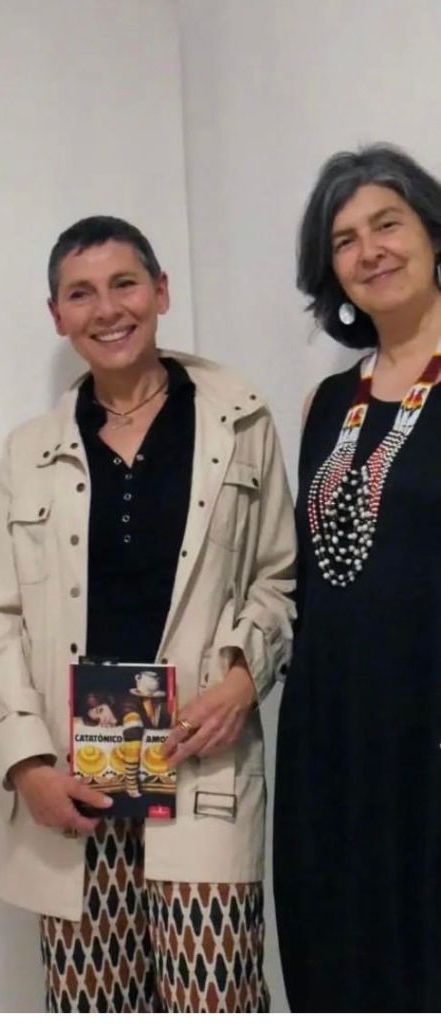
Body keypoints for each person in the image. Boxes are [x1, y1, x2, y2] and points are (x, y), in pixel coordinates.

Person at [0, 215, 295, 1012]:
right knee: (94, 1006)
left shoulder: (238, 419)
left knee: (214, 998)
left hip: (199, 759)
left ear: (160, 292)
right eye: (80, 294)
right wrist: (26, 763)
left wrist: (241, 681)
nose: (107, 309)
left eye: (124, 284)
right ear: (56, 315)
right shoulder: (28, 449)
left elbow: (277, 579)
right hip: (72, 778)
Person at [274, 144, 441, 1011]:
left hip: (428, 730)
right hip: (331, 733)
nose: (369, 251)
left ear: (432, 234)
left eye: (387, 224)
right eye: (344, 240)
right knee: (338, 959)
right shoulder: (325, 403)